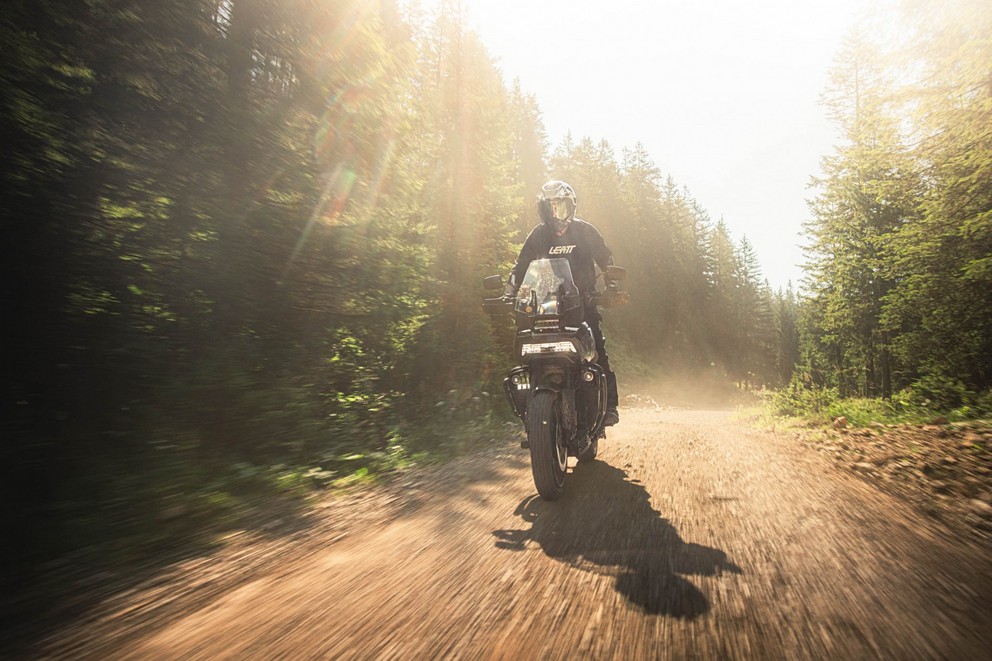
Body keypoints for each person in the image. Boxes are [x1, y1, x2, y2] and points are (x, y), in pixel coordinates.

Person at [505, 180, 620, 426]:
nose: (556, 214)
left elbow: (606, 258)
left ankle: (609, 406)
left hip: (584, 303)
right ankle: (533, 406)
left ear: (572, 206)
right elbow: (521, 264)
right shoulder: (538, 234)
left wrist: (612, 286)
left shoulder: (585, 231)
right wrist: (509, 291)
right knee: (528, 346)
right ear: (542, 210)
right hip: (546, 304)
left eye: (561, 206)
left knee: (597, 351)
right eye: (549, 208)